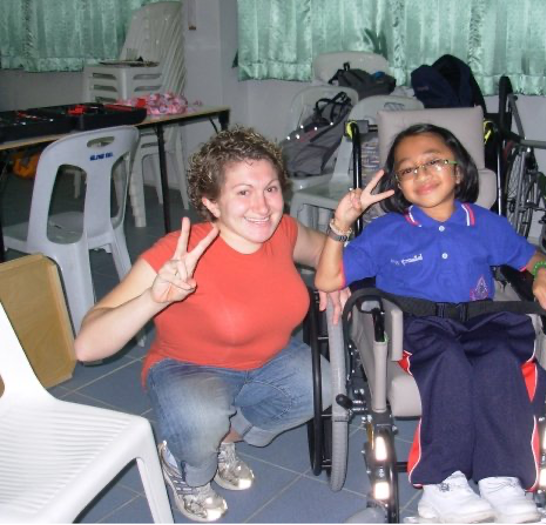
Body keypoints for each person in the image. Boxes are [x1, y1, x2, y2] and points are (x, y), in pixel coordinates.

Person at [74, 126, 346, 522]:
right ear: (211, 203)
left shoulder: (283, 231)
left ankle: (222, 442)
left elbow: (326, 251)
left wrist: (338, 277)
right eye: (242, 192)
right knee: (200, 420)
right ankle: (188, 470)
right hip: (186, 367)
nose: (262, 205)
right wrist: (153, 298)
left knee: (321, 383)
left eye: (270, 188)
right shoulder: (175, 251)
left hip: (267, 360)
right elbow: (87, 347)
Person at [315, 123, 546, 524]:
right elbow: (327, 280)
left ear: (459, 172)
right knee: (448, 361)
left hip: (480, 320)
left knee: (502, 356)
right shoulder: (386, 232)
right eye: (408, 169)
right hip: (419, 325)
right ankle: (441, 483)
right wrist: (340, 225)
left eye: (433, 162)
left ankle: (500, 479)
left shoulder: (485, 223)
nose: (422, 174)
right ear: (398, 184)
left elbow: (529, 256)